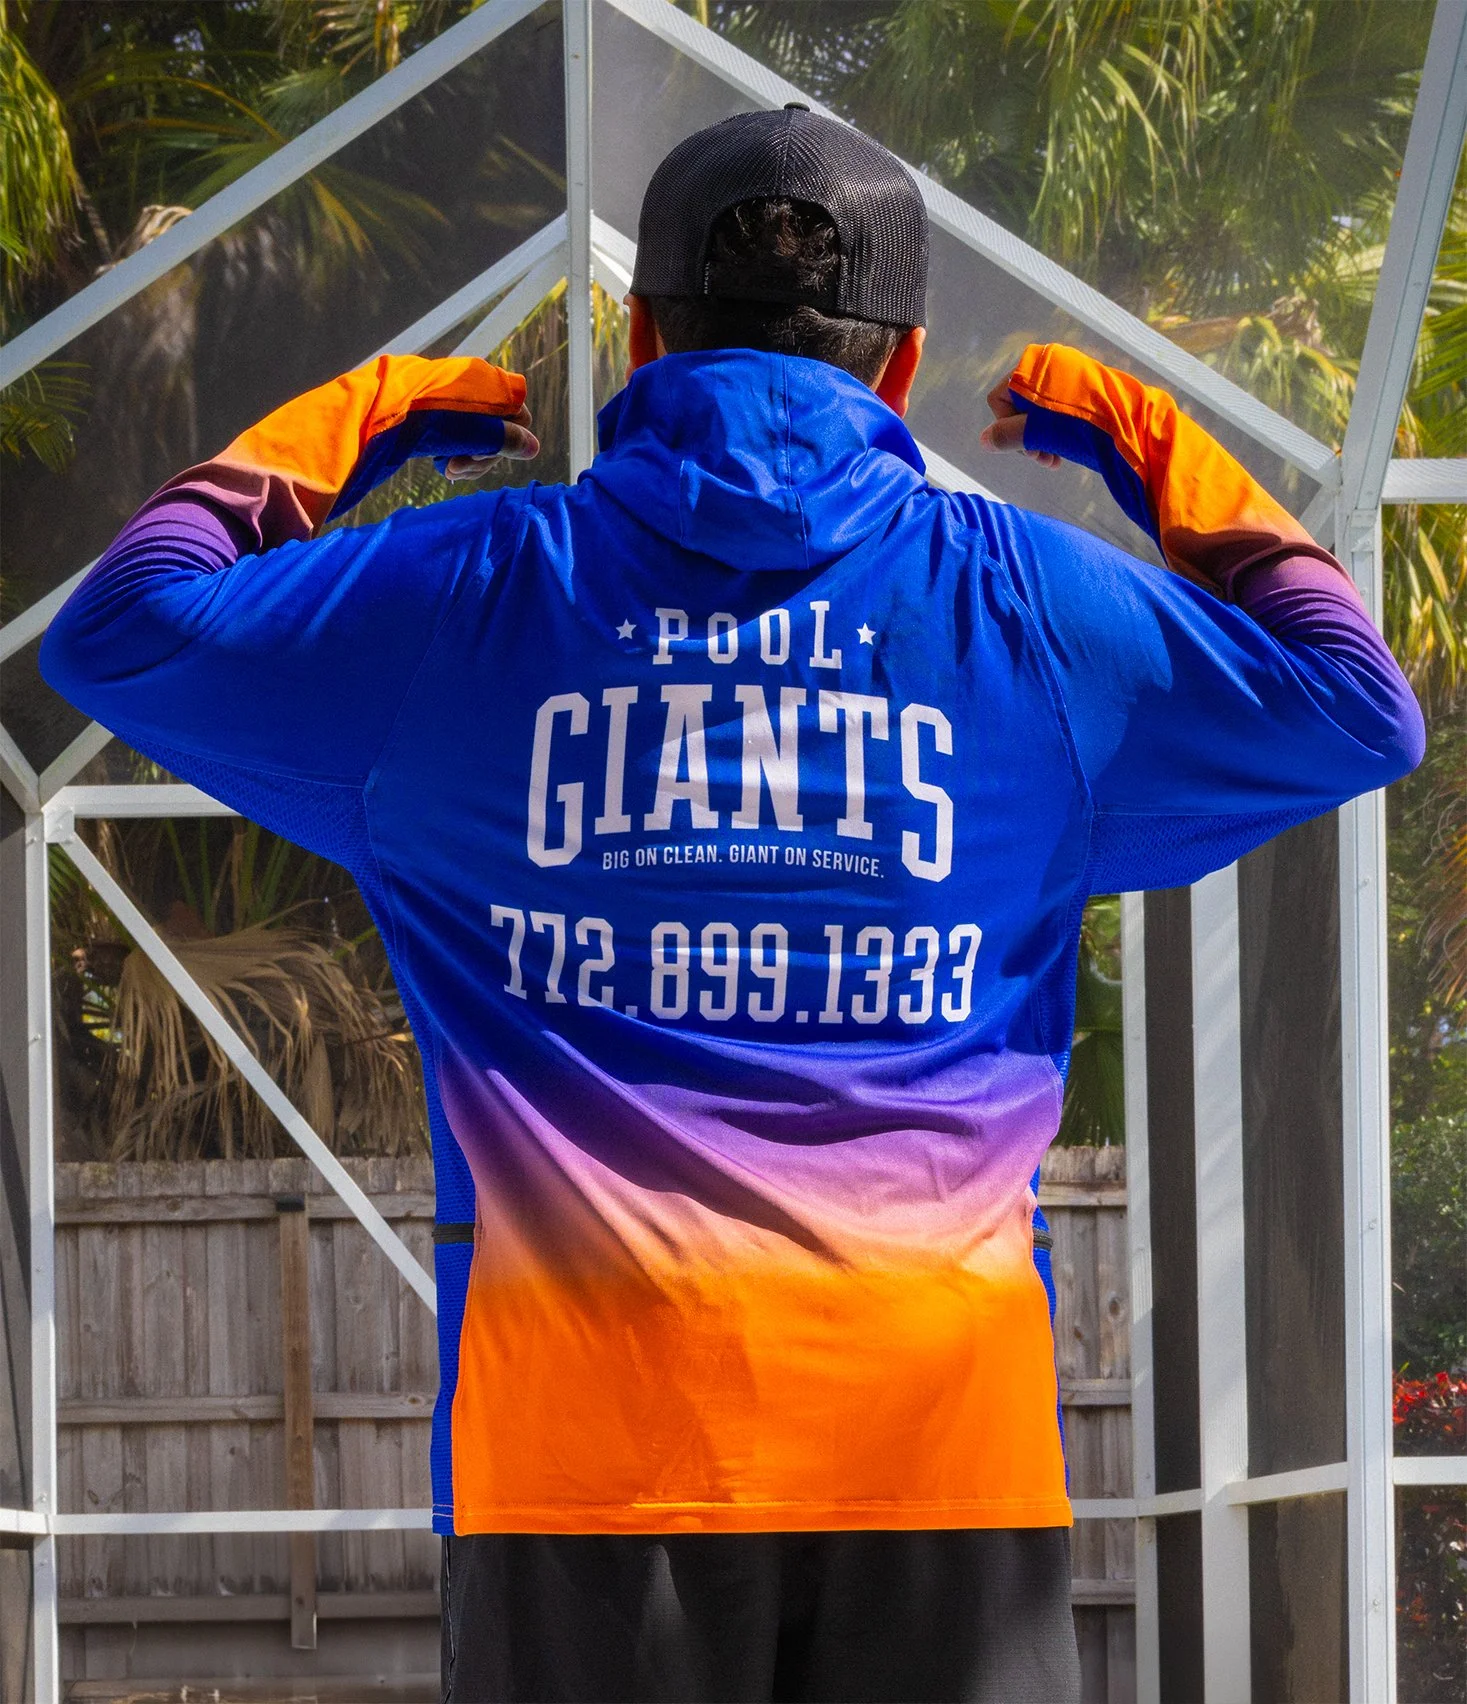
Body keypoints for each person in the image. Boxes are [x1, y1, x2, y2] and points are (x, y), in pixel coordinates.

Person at [42, 107, 1422, 1704]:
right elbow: (1356, 707)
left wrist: (360, 417)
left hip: (580, 1465)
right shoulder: (1030, 611)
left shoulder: (466, 598)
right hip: (940, 1461)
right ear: (899, 368)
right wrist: (1155, 453)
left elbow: (122, 630)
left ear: (640, 335)